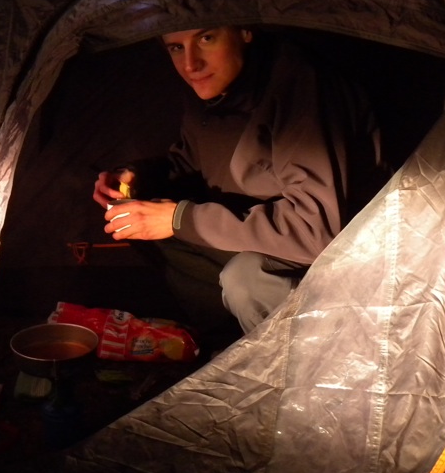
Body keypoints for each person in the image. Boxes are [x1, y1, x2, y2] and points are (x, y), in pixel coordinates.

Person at [92, 25, 381, 351]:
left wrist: (179, 219)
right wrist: (136, 178)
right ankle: (227, 344)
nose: (191, 64)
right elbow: (190, 163)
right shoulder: (213, 88)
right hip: (262, 229)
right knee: (134, 220)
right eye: (175, 48)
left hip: (344, 254)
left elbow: (315, 231)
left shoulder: (301, 87)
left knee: (245, 278)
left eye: (206, 38)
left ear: (244, 31)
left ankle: (296, 372)